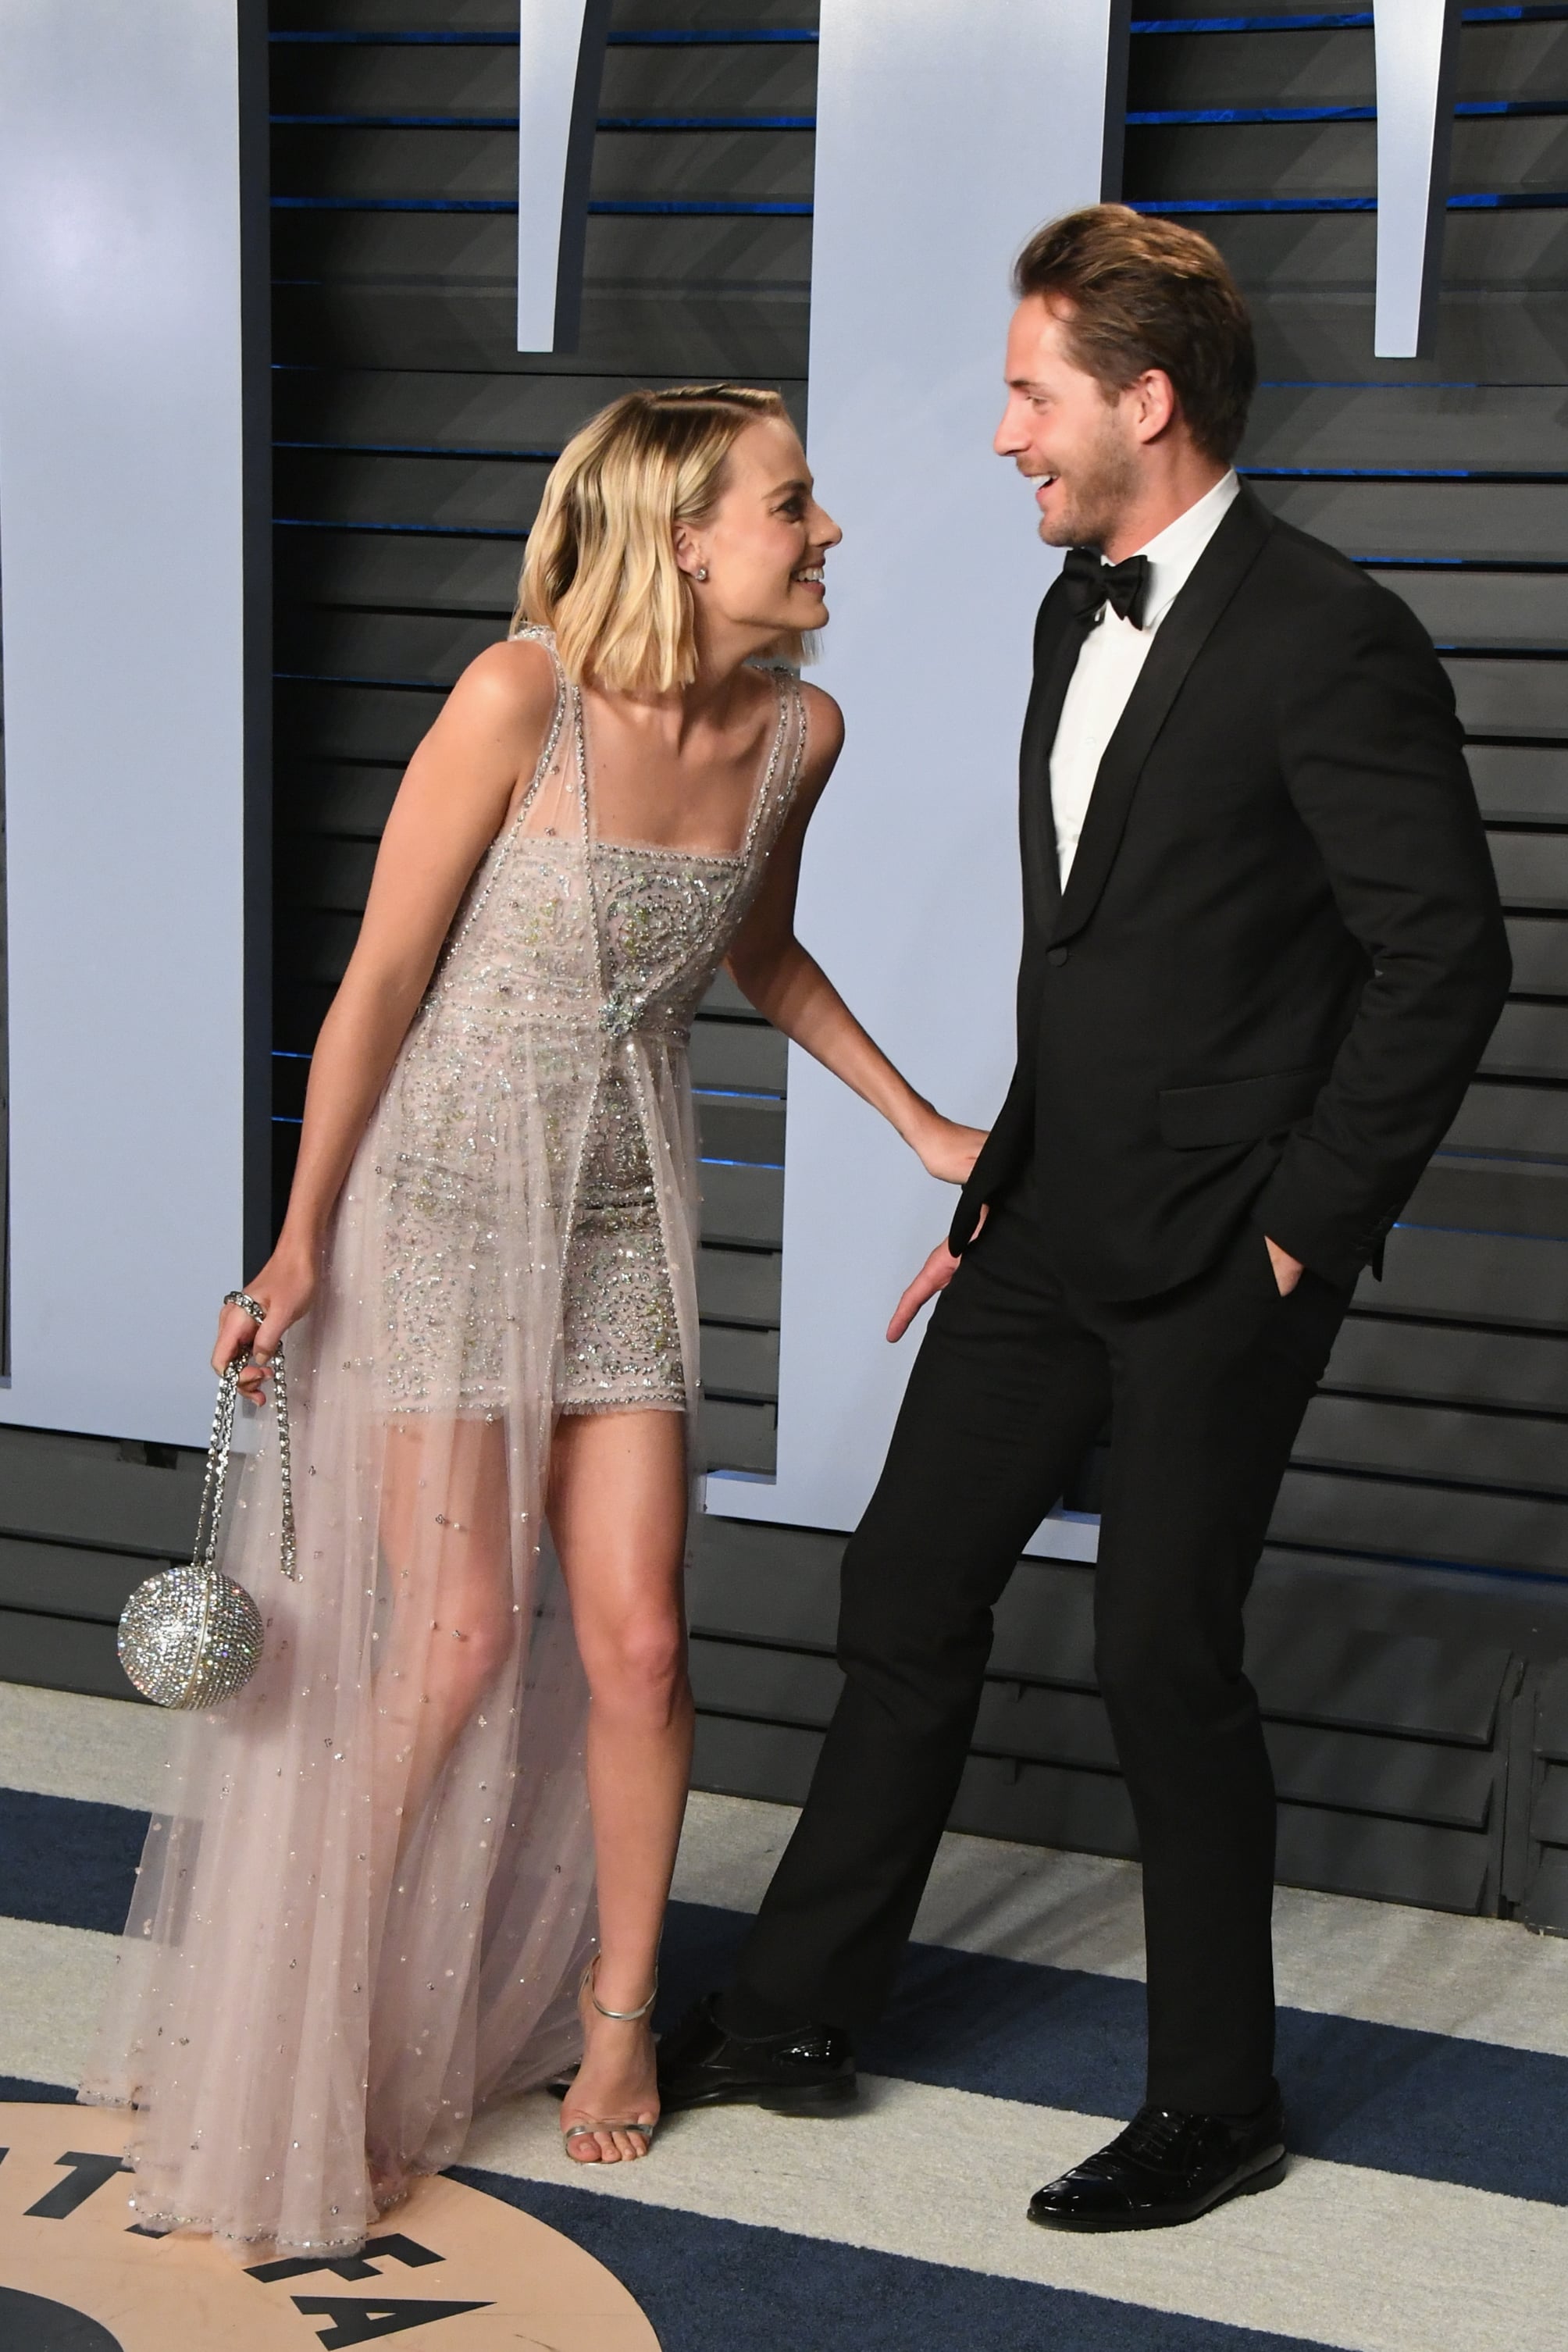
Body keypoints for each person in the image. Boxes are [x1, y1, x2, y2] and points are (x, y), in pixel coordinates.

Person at [657, 208, 1512, 2231]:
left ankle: (1217, 2100)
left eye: (1033, 391)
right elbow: (1102, 960)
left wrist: (1304, 1226)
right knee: (907, 1593)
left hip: (1233, 1250)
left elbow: (1446, 960)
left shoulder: (1333, 633)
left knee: (1159, 1656)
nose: (1003, 435)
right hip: (1052, 1223)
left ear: (1145, 398)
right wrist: (1006, 1179)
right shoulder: (1076, 602)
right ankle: (792, 2011)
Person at [80, 384, 984, 2255]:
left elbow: (755, 952)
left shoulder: (797, 729)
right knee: (462, 1644)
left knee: (642, 1645)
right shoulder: (520, 697)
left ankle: (619, 2019)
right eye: (792, 504)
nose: (826, 536)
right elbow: (382, 978)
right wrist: (296, 1242)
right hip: (442, 1194)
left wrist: (918, 1124)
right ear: (681, 533)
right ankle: (304, 2033)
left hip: (625, 1201)